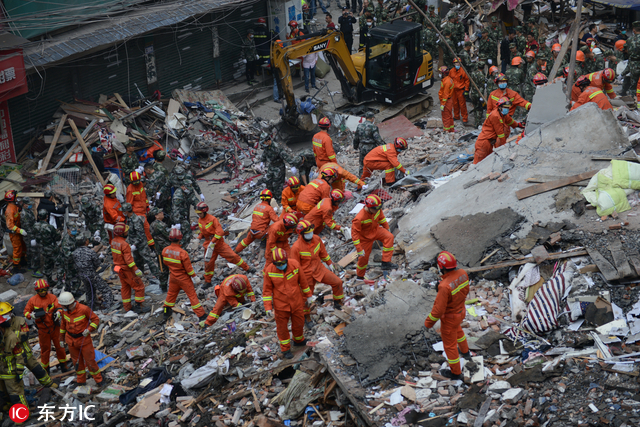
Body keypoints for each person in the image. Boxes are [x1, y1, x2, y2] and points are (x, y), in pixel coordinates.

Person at [0, 301, 57, 408]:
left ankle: (48, 383)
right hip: (13, 355)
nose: (4, 317)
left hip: (26, 352)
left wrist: (11, 337)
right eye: (2, 315)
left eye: (6, 314)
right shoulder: (3, 325)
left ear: (11, 312)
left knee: (38, 370)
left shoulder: (20, 320)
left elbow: (25, 335)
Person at [424, 251, 470, 380]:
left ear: (441, 267)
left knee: (449, 346)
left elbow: (438, 311)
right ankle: (466, 353)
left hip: (450, 318)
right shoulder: (463, 273)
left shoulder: (444, 287)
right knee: (458, 331)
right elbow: (463, 291)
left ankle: (455, 373)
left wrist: (428, 324)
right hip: (461, 311)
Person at [291, 220, 344, 327]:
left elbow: (323, 253)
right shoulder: (296, 247)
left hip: (319, 269)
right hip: (306, 276)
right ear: (301, 234)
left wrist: (330, 263)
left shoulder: (316, 239)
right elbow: (295, 267)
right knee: (305, 298)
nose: (310, 234)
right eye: (307, 233)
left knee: (337, 282)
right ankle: (307, 317)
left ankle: (338, 304)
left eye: (311, 231)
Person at [262, 248, 312, 359]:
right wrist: (268, 307)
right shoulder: (270, 271)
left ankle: (298, 340)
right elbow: (266, 291)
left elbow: (303, 281)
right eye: (277, 264)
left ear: (286, 260)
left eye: (282, 263)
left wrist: (308, 295)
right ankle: (285, 349)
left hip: (296, 302)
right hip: (281, 306)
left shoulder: (294, 265)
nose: (280, 265)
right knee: (282, 329)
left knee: (299, 323)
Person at [196, 202, 253, 285]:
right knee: (208, 263)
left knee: (233, 256)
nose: (199, 215)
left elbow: (220, 232)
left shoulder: (212, 219)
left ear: (204, 211)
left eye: (200, 213)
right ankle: (207, 281)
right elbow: (202, 232)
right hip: (209, 245)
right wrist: (198, 238)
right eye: (198, 213)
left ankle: (247, 268)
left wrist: (213, 241)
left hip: (219, 244)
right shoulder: (200, 220)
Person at [58, 292, 104, 386]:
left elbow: (95, 320)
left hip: (84, 340)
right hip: (71, 341)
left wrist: (89, 329)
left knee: (90, 361)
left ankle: (99, 380)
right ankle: (81, 381)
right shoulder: (65, 311)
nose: (63, 308)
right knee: (76, 362)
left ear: (70, 304)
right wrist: (61, 339)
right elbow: (63, 325)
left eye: (64, 306)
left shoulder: (84, 309)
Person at [24, 280, 69, 373]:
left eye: (44, 290)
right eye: (40, 290)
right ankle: (46, 370)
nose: (43, 292)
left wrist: (58, 312)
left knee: (60, 347)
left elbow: (59, 306)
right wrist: (31, 315)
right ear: (37, 291)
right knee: (45, 350)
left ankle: (64, 366)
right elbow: (26, 312)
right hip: (43, 330)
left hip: (55, 327)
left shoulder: (52, 297)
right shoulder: (33, 300)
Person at [162, 227, 207, 321]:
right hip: (183, 278)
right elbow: (189, 269)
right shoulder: (182, 253)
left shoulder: (165, 250)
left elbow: (165, 263)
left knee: (171, 294)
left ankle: (166, 311)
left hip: (173, 276)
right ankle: (201, 315)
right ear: (180, 239)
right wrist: (195, 277)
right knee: (192, 296)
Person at [351, 194, 396, 280]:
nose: (378, 210)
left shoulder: (377, 209)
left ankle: (386, 262)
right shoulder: (359, 218)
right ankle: (359, 276)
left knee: (389, 237)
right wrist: (359, 249)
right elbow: (354, 235)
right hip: (364, 238)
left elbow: (382, 218)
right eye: (375, 209)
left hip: (375, 230)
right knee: (363, 259)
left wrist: (386, 227)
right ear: (368, 207)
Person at [122, 202, 163, 287]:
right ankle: (139, 280)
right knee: (138, 262)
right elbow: (131, 233)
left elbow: (141, 235)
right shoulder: (129, 220)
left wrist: (135, 245)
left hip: (141, 245)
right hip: (135, 245)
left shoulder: (135, 220)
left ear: (126, 211)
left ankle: (160, 278)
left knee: (148, 261)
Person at [111, 222, 149, 313]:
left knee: (125, 287)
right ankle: (139, 307)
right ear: (122, 233)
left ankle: (127, 307)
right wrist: (136, 269)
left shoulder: (113, 242)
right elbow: (129, 260)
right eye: (125, 231)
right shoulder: (124, 244)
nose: (127, 232)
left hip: (119, 269)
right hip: (127, 270)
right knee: (139, 286)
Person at [474, 97, 523, 164]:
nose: (507, 109)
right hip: (484, 143)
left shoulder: (502, 114)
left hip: (489, 142)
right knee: (477, 164)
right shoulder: (495, 116)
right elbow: (500, 133)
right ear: (500, 107)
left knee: (488, 163)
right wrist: (504, 147)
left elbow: (510, 121)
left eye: (508, 108)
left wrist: (518, 125)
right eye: (505, 107)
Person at [73, 234, 115, 310]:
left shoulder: (74, 253)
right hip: (92, 274)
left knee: (89, 291)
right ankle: (110, 307)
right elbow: (98, 264)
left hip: (82, 275)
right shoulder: (90, 252)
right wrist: (100, 259)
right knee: (105, 289)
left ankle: (91, 307)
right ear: (86, 241)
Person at [260, 134, 296, 201]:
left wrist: (292, 165)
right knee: (268, 181)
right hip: (271, 166)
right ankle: (271, 196)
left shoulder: (277, 147)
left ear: (268, 141)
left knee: (277, 185)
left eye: (264, 142)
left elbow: (285, 156)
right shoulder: (267, 146)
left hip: (279, 167)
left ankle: (279, 199)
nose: (263, 144)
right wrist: (262, 161)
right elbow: (265, 153)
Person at [33, 208, 61, 286]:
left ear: (38, 217)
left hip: (42, 248)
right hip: (52, 248)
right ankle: (59, 282)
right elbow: (57, 237)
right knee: (59, 264)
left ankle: (49, 281)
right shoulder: (49, 227)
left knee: (47, 264)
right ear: (47, 216)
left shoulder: (35, 226)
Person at [354, 111, 384, 176]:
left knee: (362, 164)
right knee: (378, 161)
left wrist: (355, 146)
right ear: (372, 118)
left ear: (366, 118)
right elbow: (377, 138)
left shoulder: (359, 126)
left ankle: (361, 179)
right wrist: (384, 146)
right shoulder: (373, 127)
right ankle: (383, 175)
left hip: (362, 148)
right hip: (371, 148)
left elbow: (356, 138)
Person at [4, 190, 26, 271]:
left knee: (23, 246)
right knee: (17, 249)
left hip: (18, 230)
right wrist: (20, 230)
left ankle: (22, 260)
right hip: (14, 233)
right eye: (16, 196)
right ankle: (16, 267)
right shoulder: (10, 210)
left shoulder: (14, 206)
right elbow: (10, 226)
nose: (17, 197)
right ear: (12, 198)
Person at [149, 207, 170, 290]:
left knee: (162, 267)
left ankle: (163, 285)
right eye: (160, 213)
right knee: (170, 267)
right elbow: (169, 236)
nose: (162, 214)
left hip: (158, 249)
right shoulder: (160, 225)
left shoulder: (152, 225)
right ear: (156, 216)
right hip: (166, 248)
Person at [449, 58, 469, 124]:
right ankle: (456, 116)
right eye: (456, 63)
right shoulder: (451, 71)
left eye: (459, 63)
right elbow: (449, 80)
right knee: (455, 104)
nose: (458, 64)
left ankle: (465, 118)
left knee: (462, 105)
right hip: (454, 90)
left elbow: (467, 81)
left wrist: (466, 90)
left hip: (461, 90)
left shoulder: (463, 71)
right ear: (454, 64)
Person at [469, 62, 488, 127]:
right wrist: (481, 96)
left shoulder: (473, 73)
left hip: (473, 92)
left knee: (475, 107)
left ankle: (475, 121)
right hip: (479, 94)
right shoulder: (482, 76)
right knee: (479, 108)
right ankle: (478, 123)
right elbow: (482, 87)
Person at [438, 66, 455, 133]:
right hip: (449, 101)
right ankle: (451, 130)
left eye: (440, 72)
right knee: (449, 115)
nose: (439, 74)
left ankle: (446, 131)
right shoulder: (448, 79)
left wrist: (443, 104)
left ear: (443, 73)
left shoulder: (447, 82)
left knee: (446, 117)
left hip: (446, 101)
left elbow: (445, 94)